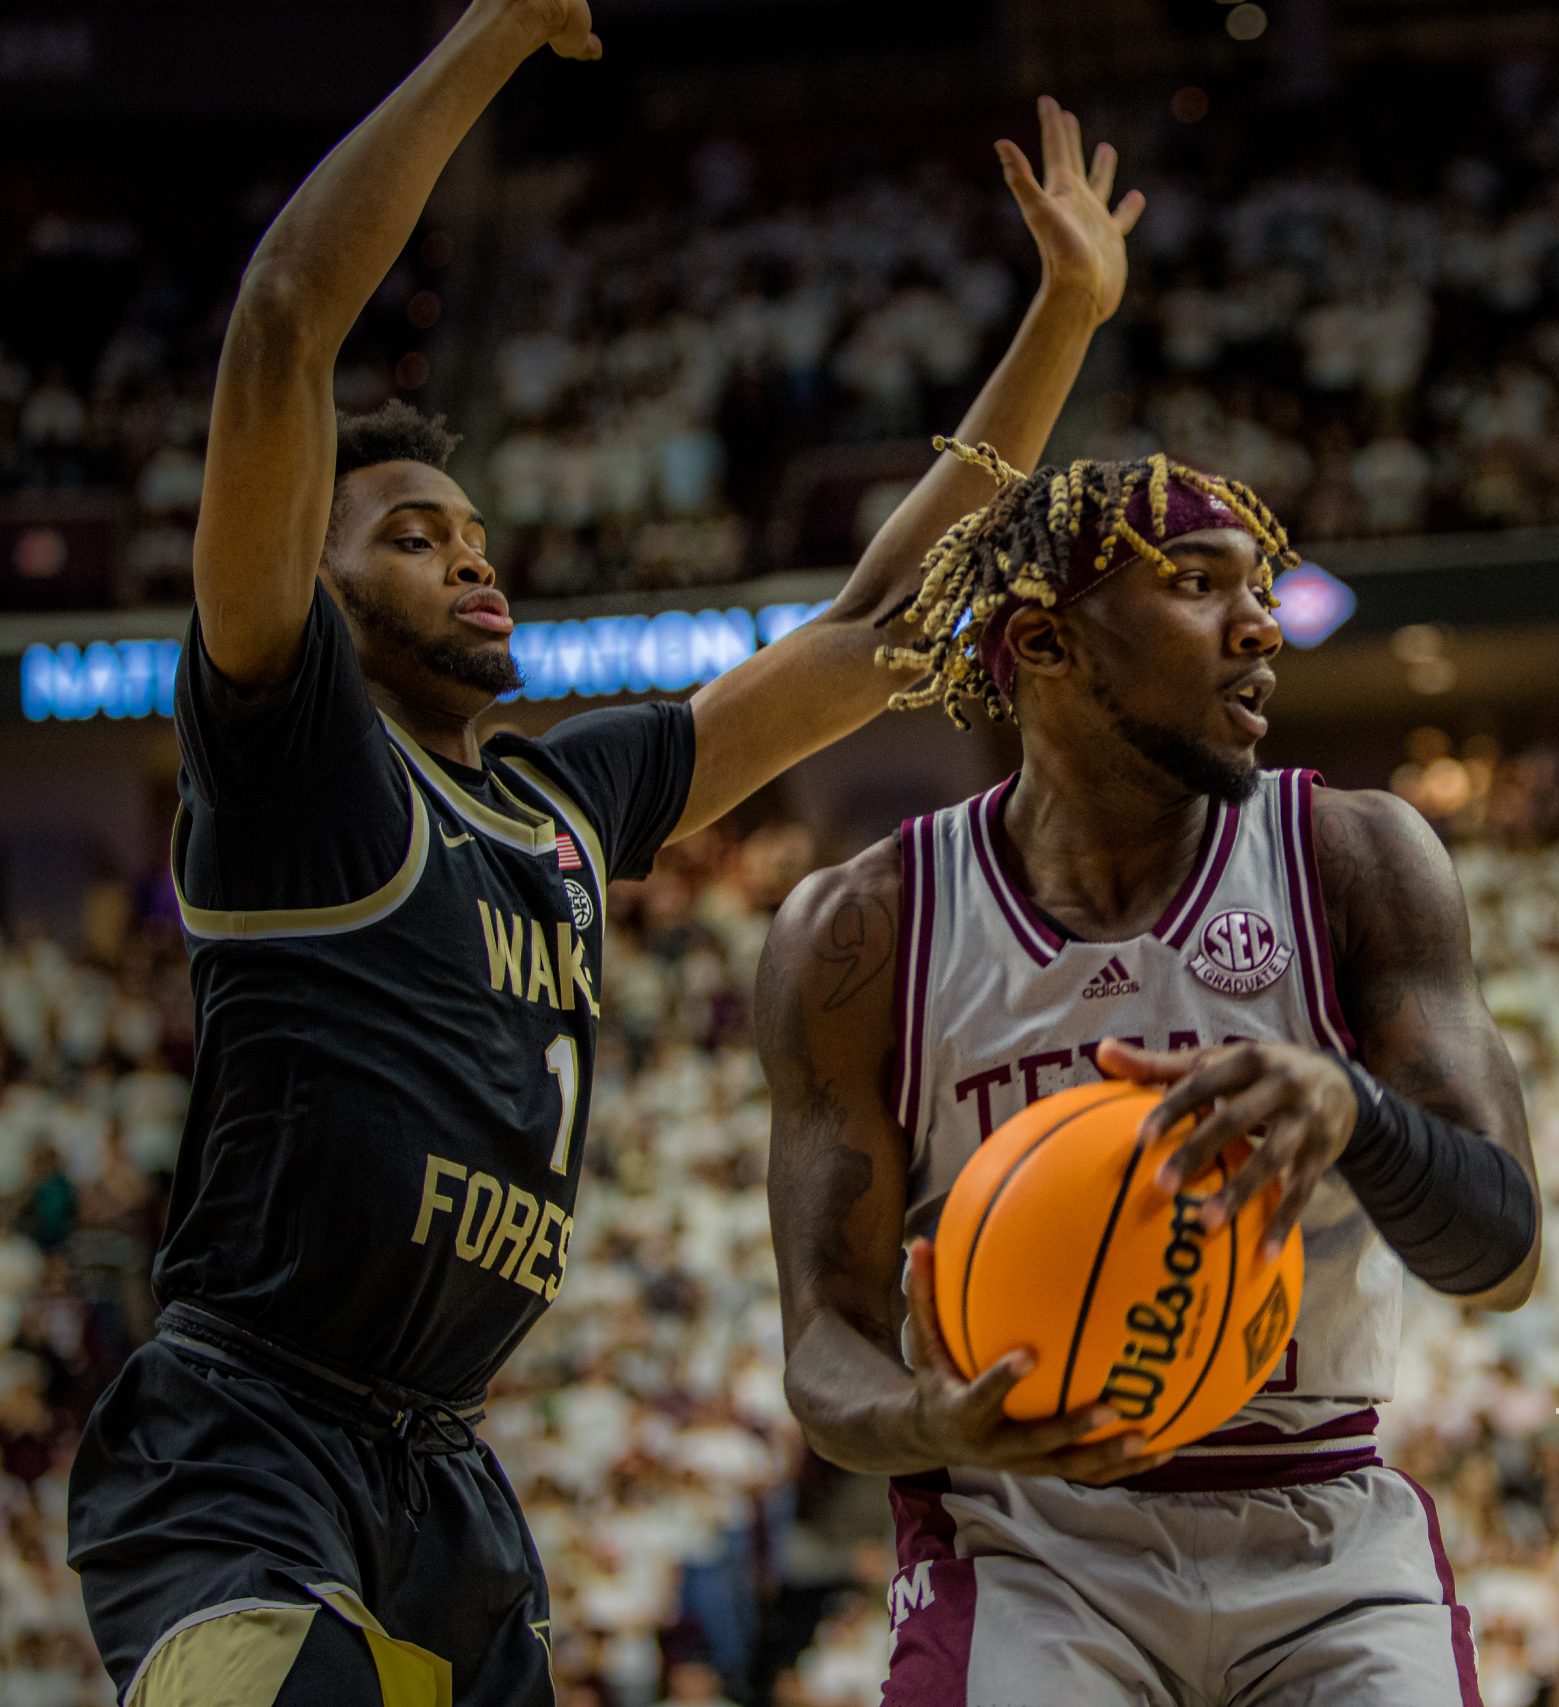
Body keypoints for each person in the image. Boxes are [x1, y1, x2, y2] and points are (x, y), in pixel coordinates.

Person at [64, 0, 1146, 1696]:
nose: (471, 560)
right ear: (321, 590)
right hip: (247, 1435)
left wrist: (1064, 319)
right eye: (415, 538)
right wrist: (493, 33)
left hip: (448, 1471)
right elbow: (284, 320)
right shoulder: (296, 762)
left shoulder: (566, 802)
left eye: (476, 533)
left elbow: (874, 621)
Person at [757, 448, 1543, 1702]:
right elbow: (824, 1351)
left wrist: (1358, 1114)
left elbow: (1503, 1256)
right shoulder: (863, 932)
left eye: (1260, 589)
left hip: (1321, 1520)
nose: (1260, 626)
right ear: (1044, 643)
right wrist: (928, 1423)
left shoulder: (1355, 856)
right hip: (1024, 1537)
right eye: (1195, 583)